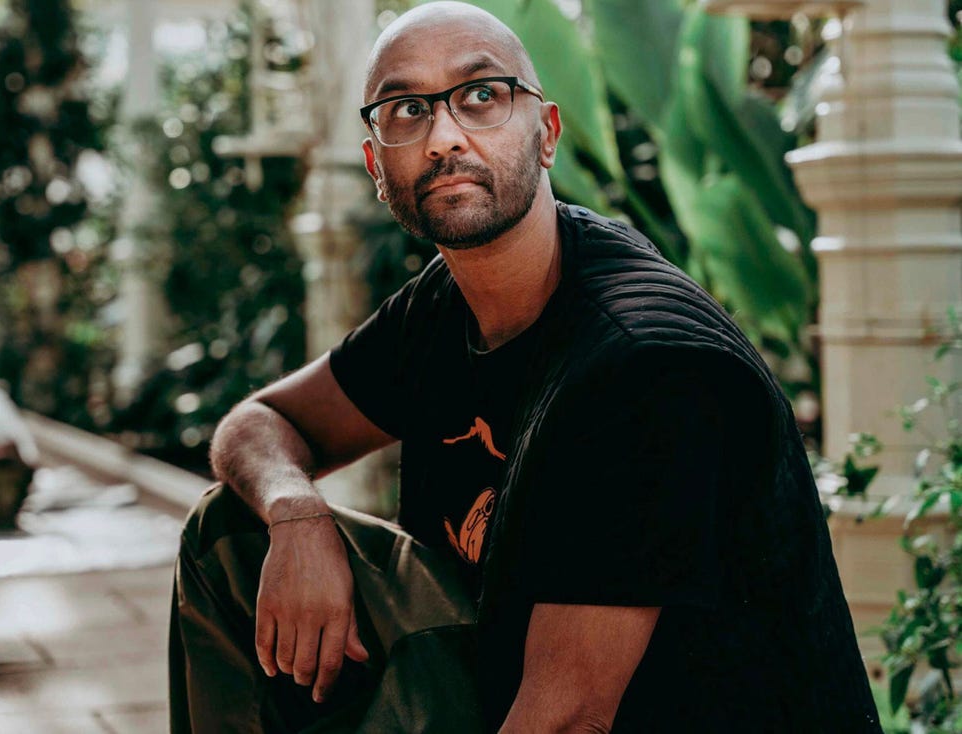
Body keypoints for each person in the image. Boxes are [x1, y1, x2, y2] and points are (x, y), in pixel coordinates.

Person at [168, 2, 882, 732]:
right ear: (378, 166)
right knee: (232, 534)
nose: (445, 136)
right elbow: (261, 424)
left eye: (481, 96)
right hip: (500, 677)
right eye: (407, 109)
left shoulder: (644, 366)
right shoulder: (445, 306)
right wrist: (297, 515)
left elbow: (565, 718)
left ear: (546, 135)